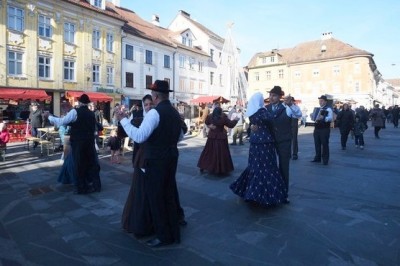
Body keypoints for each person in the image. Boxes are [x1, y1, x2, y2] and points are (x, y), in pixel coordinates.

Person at [116, 80, 186, 247]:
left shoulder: (155, 113)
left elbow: (139, 136)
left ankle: (164, 236)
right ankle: (173, 233)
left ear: (155, 96)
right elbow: (181, 136)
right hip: (171, 157)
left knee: (157, 198)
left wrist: (124, 121)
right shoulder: (175, 113)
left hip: (155, 161)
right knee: (168, 194)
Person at [230, 92, 288, 206]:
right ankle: (263, 195)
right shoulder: (262, 111)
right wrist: (284, 106)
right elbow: (273, 118)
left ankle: (252, 192)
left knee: (255, 166)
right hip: (265, 142)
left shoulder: (252, 112)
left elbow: (254, 124)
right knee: (267, 166)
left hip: (255, 141)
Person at [46, 94, 101, 194]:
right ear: (87, 103)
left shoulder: (75, 112)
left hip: (79, 142)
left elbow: (62, 121)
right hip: (89, 141)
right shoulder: (91, 113)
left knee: (79, 164)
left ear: (79, 102)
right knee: (91, 163)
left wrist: (50, 117)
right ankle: (96, 185)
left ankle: (81, 187)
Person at [121, 94, 154, 237]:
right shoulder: (137, 115)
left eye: (150, 104)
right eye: (146, 104)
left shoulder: (156, 115)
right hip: (140, 155)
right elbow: (126, 130)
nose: (148, 107)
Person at [265, 86, 302, 195]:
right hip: (270, 141)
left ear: (280, 97)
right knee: (270, 166)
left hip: (284, 141)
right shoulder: (266, 108)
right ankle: (272, 189)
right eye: (270, 95)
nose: (271, 97)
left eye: (274, 95)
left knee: (284, 166)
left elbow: (298, 114)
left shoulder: (287, 107)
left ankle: (284, 191)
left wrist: (291, 104)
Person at [197, 106, 238, 175]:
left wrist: (210, 126)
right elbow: (230, 125)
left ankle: (204, 166)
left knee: (208, 152)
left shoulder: (210, 116)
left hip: (212, 137)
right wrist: (236, 120)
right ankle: (221, 168)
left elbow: (206, 122)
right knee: (221, 153)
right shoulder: (223, 118)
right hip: (221, 137)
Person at [311, 95, 333, 165]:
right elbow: (314, 118)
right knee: (317, 144)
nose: (320, 102)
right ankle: (317, 158)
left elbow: (330, 118)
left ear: (325, 101)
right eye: (319, 101)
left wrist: (323, 118)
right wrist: (312, 116)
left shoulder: (328, 109)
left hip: (324, 129)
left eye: (322, 101)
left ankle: (325, 160)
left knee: (325, 144)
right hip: (317, 128)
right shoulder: (317, 109)